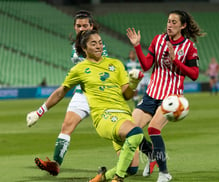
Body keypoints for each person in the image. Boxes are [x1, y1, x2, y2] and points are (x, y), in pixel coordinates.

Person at [27, 29, 144, 182]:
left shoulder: (116, 64)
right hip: (105, 116)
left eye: (100, 43)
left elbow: (127, 95)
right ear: (84, 48)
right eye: (93, 44)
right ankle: (117, 179)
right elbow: (61, 92)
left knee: (132, 168)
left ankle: (99, 179)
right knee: (136, 134)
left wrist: (133, 83)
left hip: (123, 116)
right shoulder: (80, 69)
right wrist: (40, 111)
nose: (98, 46)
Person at [26, 10, 109, 176]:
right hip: (82, 93)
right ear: (74, 27)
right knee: (66, 126)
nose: (82, 28)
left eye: (85, 25)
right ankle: (55, 164)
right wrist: (39, 112)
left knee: (117, 132)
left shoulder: (98, 46)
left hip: (102, 94)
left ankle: (146, 149)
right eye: (79, 26)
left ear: (91, 26)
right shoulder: (75, 47)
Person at [126, 10, 205, 182]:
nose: (170, 25)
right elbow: (146, 65)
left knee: (153, 129)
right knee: (130, 129)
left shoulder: (189, 47)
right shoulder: (158, 40)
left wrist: (175, 60)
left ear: (183, 26)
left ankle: (164, 173)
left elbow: (194, 74)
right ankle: (151, 154)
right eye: (169, 21)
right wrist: (137, 46)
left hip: (171, 98)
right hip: (151, 94)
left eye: (174, 22)